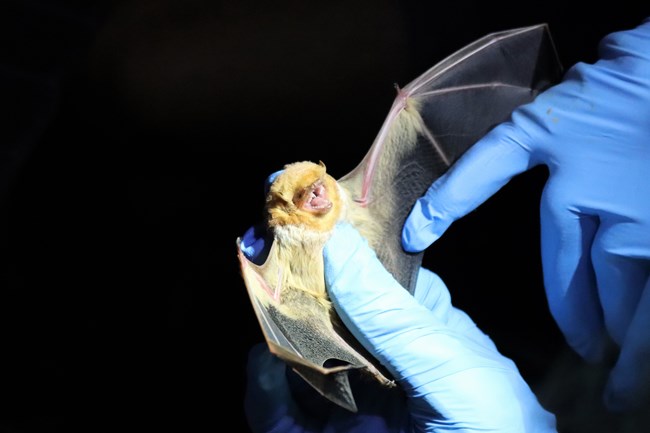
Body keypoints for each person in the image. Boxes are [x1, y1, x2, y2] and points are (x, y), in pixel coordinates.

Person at [244, 17, 650, 433]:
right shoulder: (286, 229)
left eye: (317, 185)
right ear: (286, 210)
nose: (317, 197)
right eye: (303, 198)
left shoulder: (351, 199)